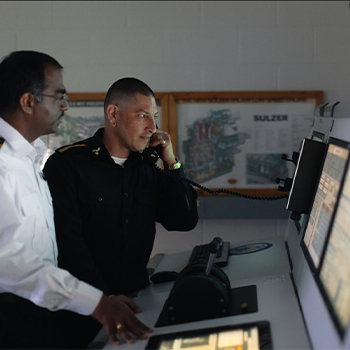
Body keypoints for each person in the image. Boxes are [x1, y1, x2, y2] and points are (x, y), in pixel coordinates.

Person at [0, 51, 153, 349]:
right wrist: (96, 303)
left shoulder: (31, 160)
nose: (66, 105)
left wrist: (99, 300)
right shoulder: (4, 166)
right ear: (28, 102)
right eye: (58, 96)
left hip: (41, 318)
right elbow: (10, 262)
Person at [43, 77, 198, 298]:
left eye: (154, 117)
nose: (152, 127)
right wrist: (105, 302)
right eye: (143, 115)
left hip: (137, 297)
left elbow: (184, 220)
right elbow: (67, 246)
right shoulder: (67, 164)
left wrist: (171, 162)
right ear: (114, 114)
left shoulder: (147, 166)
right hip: (85, 305)